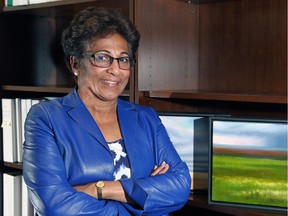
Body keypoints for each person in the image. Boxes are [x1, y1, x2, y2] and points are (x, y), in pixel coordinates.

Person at [23, 7, 191, 216]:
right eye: (102, 57)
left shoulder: (146, 117)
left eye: (123, 59)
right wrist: (141, 198)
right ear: (75, 63)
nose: (115, 69)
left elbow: (180, 186)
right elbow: (55, 206)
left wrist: (99, 189)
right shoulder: (46, 118)